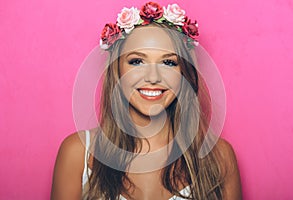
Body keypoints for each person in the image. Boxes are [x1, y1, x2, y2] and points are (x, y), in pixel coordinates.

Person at [51, 2, 242, 200]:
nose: (153, 77)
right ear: (117, 70)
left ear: (184, 73)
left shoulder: (219, 157)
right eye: (136, 61)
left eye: (168, 62)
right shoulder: (77, 153)